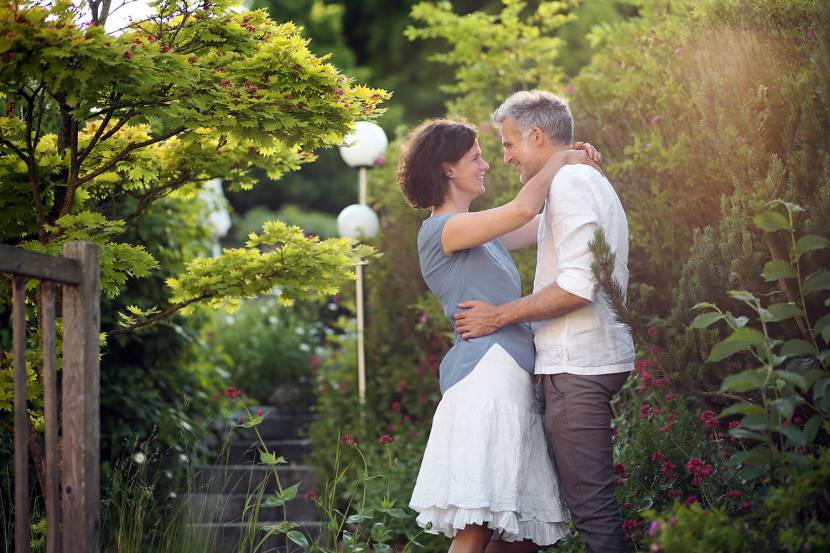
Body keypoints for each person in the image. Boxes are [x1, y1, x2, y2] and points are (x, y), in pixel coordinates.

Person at [398, 117, 601, 553]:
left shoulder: (483, 236)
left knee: (519, 538)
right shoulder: (444, 230)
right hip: (486, 380)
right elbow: (523, 209)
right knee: (477, 528)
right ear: (449, 169)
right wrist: (561, 156)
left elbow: (545, 218)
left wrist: (578, 170)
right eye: (476, 157)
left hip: (510, 379)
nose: (487, 165)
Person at [453, 90, 635, 553]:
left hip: (577, 367)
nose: (506, 157)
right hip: (576, 364)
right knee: (528, 525)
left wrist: (499, 315)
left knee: (594, 515)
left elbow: (578, 287)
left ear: (537, 137)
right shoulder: (572, 181)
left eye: (510, 144)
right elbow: (512, 227)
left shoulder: (572, 184)